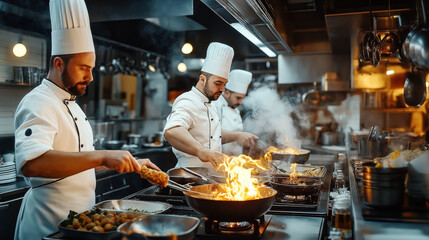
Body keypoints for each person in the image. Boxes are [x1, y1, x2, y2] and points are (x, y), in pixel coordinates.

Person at [13, 1, 160, 239]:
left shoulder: (74, 106)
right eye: (83, 68)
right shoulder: (38, 101)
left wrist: (131, 161)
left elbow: (81, 160)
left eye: (91, 68)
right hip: (47, 227)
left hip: (81, 225)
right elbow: (32, 163)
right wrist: (103, 155)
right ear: (59, 63)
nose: (90, 77)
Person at [163, 42, 258, 172]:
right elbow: (171, 131)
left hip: (210, 176)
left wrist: (237, 136)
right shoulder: (188, 100)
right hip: (189, 176)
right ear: (202, 79)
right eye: (218, 83)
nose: (222, 89)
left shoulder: (210, 104)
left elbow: (214, 136)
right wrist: (200, 150)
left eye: (224, 84)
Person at [213, 69, 252, 156]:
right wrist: (238, 136)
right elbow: (212, 134)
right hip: (220, 160)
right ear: (227, 93)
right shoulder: (215, 106)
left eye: (242, 98)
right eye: (238, 98)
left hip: (235, 161)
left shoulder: (235, 109)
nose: (240, 102)